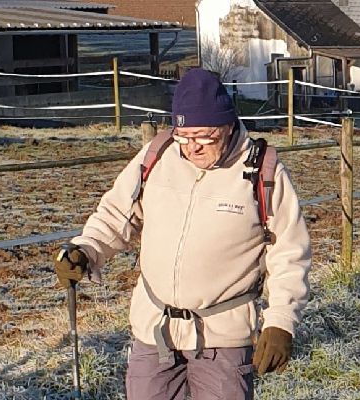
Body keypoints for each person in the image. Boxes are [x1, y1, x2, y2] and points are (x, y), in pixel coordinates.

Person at [52, 69, 311, 400]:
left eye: (204, 136)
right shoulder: (159, 155)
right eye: (184, 136)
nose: (192, 148)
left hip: (222, 338)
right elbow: (117, 214)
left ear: (228, 125)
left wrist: (281, 321)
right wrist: (86, 249)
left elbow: (289, 252)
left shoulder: (262, 171)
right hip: (154, 330)